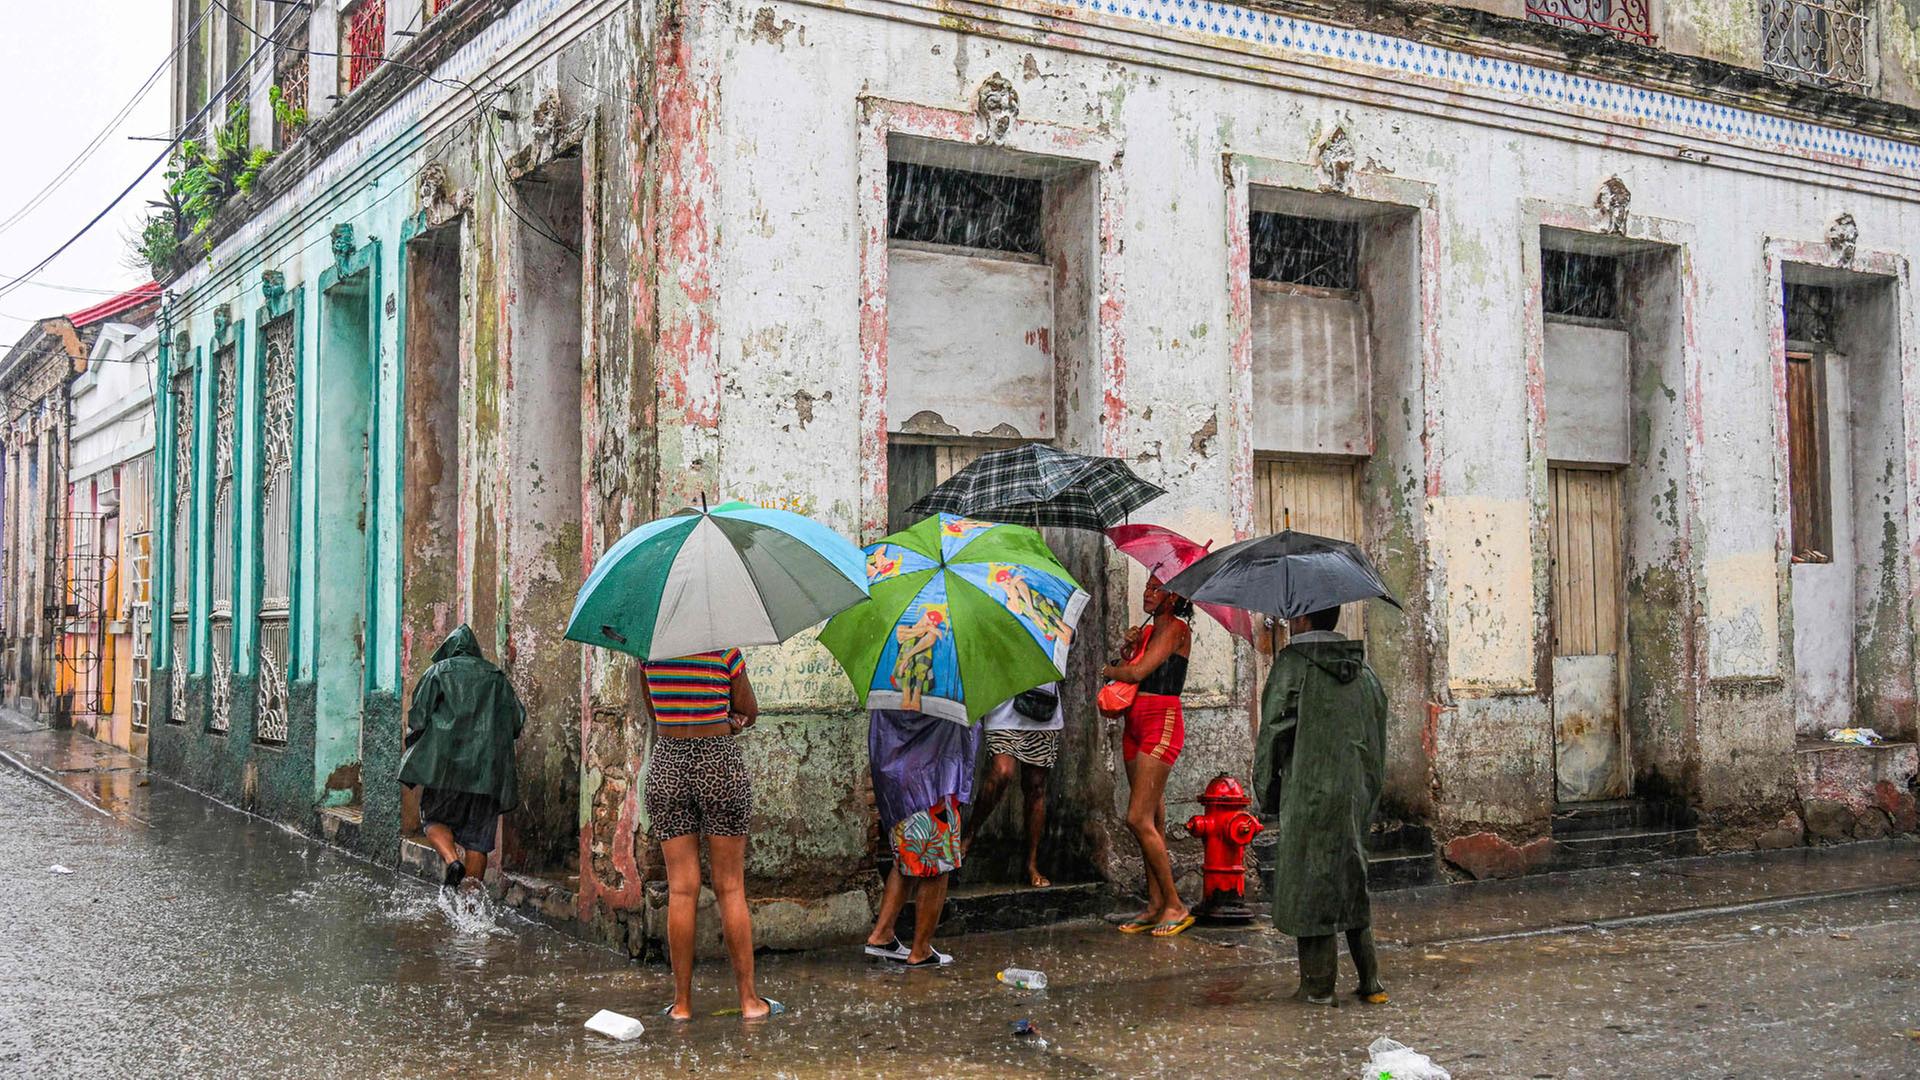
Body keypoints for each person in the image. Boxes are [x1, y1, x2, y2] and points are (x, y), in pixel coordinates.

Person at [1253, 607, 1389, 1007]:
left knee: (1311, 883)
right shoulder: (1362, 669)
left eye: (1294, 616)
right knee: (1350, 876)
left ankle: (1318, 986)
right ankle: (1371, 981)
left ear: (1304, 620)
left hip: (1310, 789)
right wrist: (1367, 790)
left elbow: (1274, 729)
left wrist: (1268, 792)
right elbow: (1377, 731)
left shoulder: (1295, 665)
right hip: (1354, 792)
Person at [641, 648, 782, 1021]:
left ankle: (683, 1005)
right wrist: (732, 722)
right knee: (730, 886)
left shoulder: (651, 652)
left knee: (682, 888)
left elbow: (655, 712)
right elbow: (748, 710)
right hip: (719, 760)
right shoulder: (725, 653)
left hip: (668, 762)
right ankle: (750, 1002)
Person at [1101, 576, 1194, 938]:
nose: (1147, 593)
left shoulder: (1175, 628)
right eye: (1148, 586)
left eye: (1156, 588)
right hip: (1135, 721)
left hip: (1161, 721)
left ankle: (1175, 904)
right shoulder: (1151, 630)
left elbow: (1138, 674)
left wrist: (1109, 670)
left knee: (1137, 817)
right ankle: (1155, 905)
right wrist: (1129, 648)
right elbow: (1135, 666)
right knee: (1152, 815)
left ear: (1174, 596)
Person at [399, 625, 525, 890]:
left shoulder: (437, 672)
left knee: (433, 820)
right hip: (488, 775)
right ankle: (471, 907)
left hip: (445, 769)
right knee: (477, 842)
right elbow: (516, 721)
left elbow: (418, 718)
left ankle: (452, 860)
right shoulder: (497, 677)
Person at [862, 707, 980, 966]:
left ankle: (882, 934)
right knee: (937, 865)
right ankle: (921, 949)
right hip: (932, 780)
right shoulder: (946, 680)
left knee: (906, 860)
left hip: (897, 777)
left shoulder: (893, 675)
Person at [962, 681, 1063, 888]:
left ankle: (1032, 864)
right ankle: (969, 834)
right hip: (1002, 703)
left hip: (1042, 705)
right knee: (1002, 772)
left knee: (1036, 787)